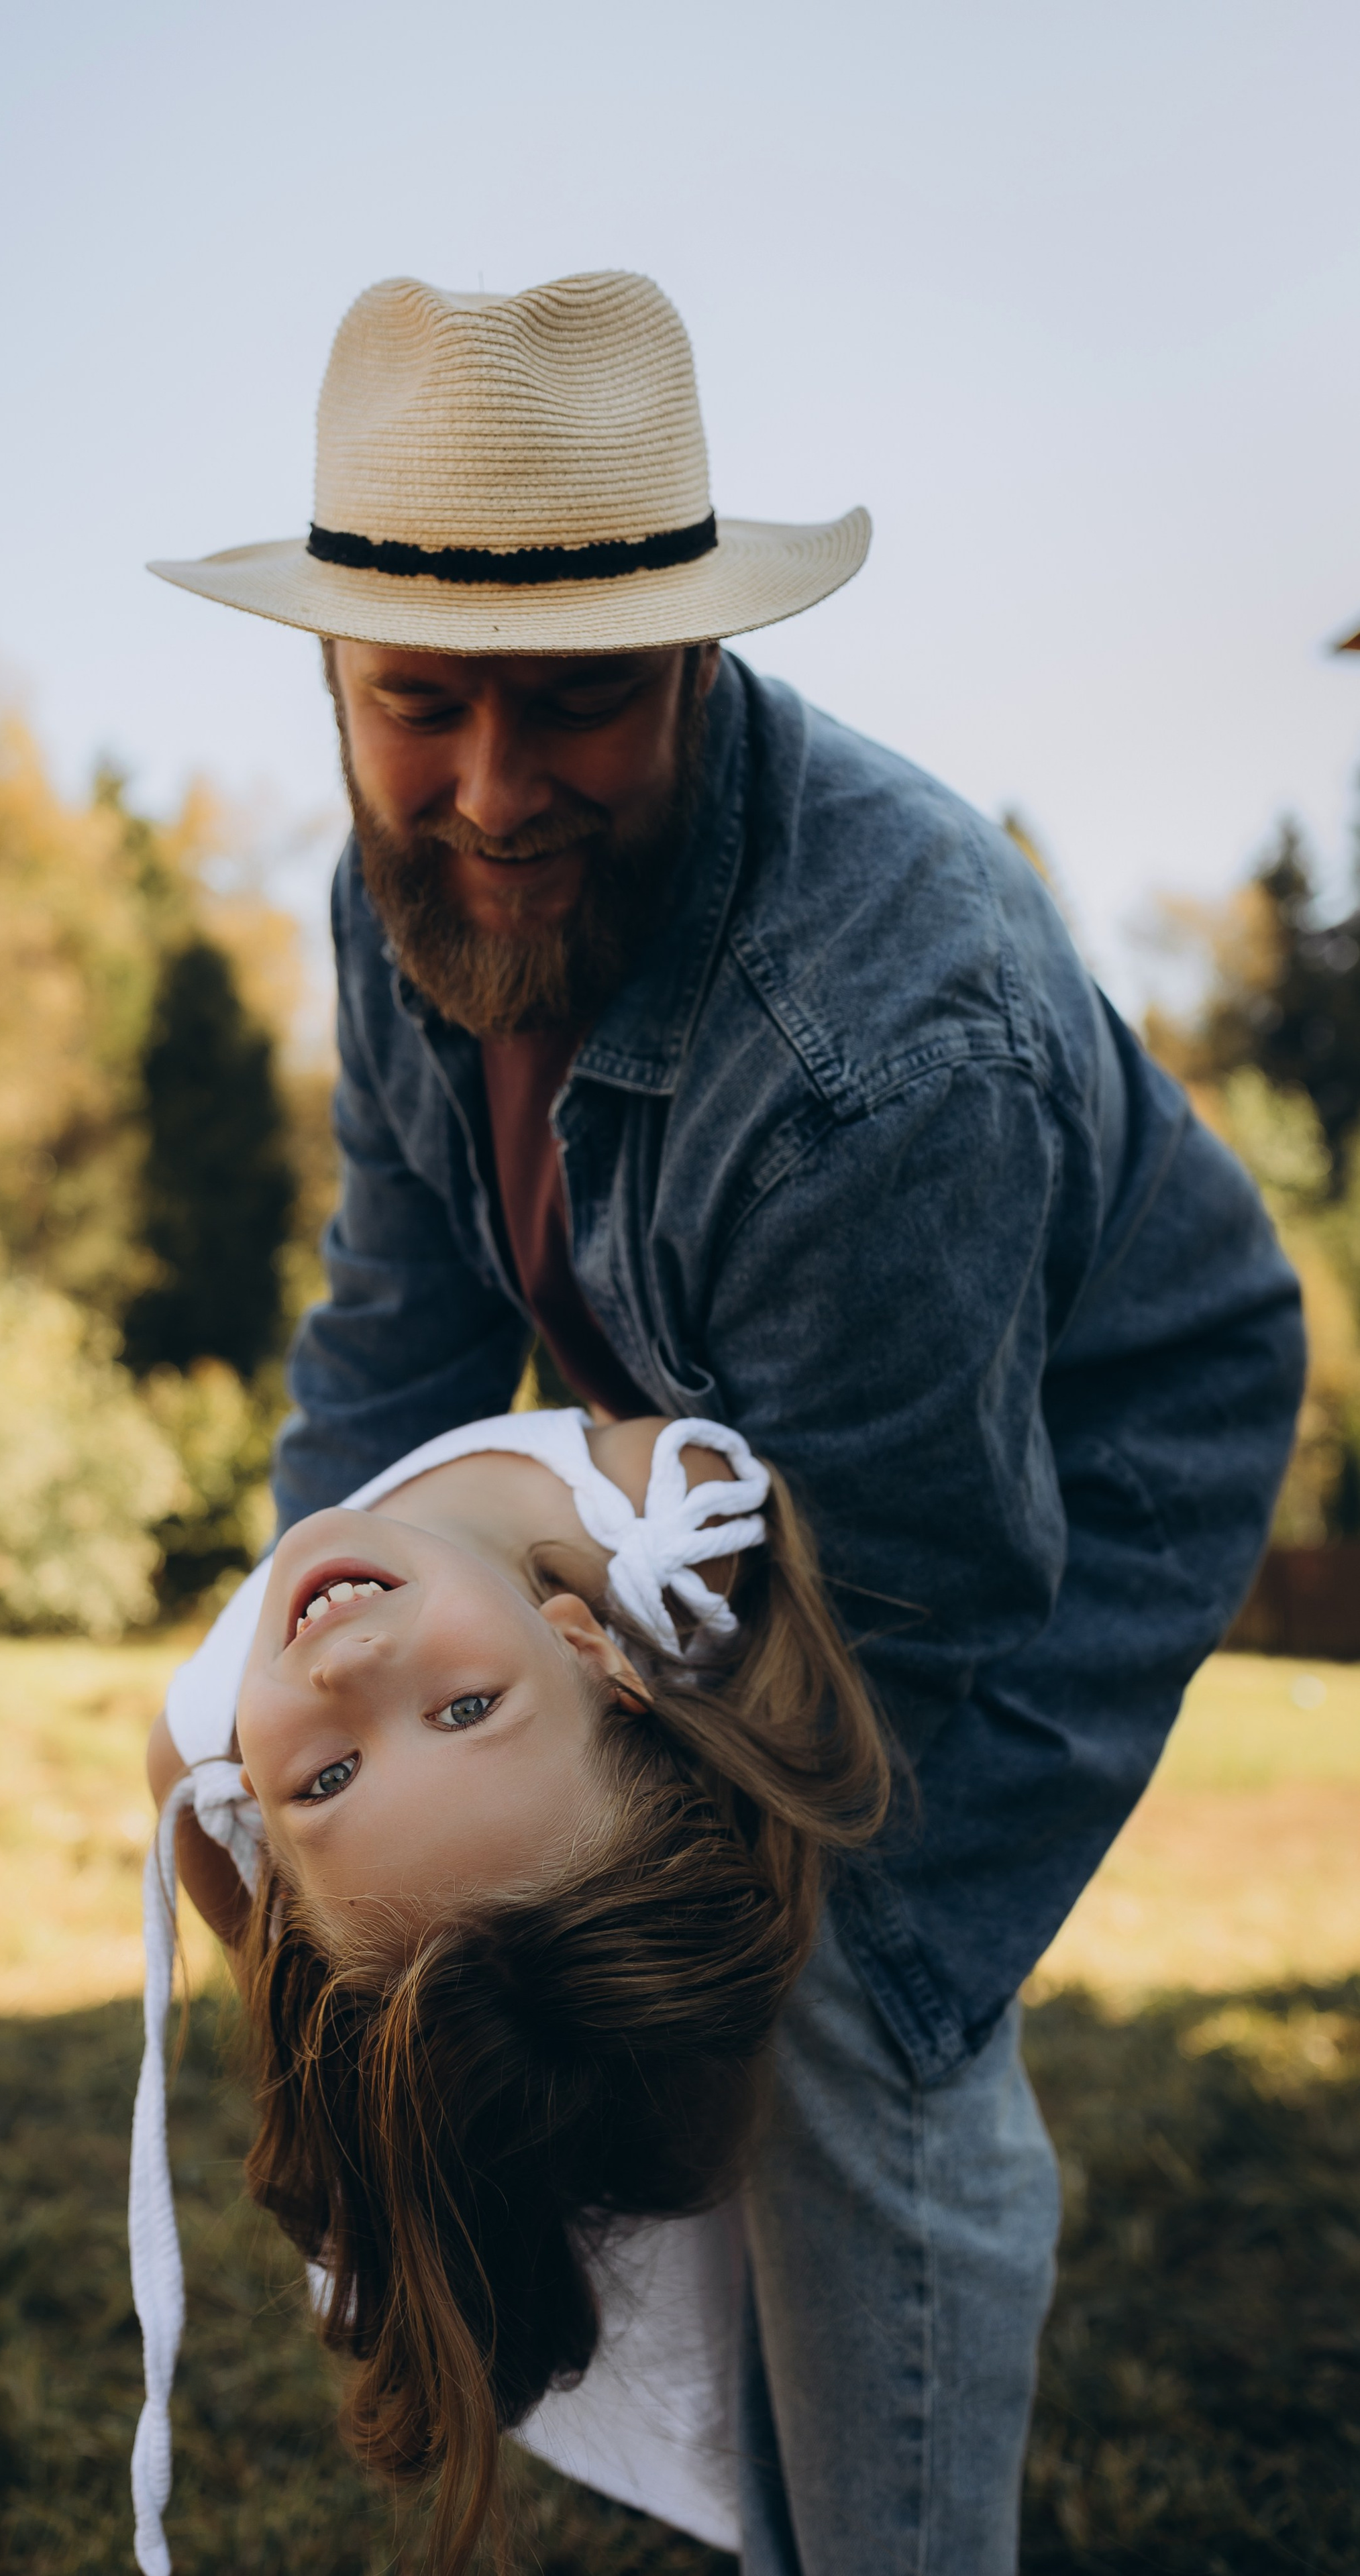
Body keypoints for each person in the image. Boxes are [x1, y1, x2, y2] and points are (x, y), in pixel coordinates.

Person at [142, 272, 1306, 2575]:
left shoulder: (890, 1049)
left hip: (1043, 1462)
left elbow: (914, 1580)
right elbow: (395, 1323)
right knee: (536, 1932)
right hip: (709, 1436)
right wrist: (282, 1703)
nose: (490, 793)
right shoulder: (392, 895)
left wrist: (604, 1790)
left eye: (575, 710)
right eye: (418, 707)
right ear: (332, 679)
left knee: (852, 1995)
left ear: (694, 658)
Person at [129, 1407, 888, 2576]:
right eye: (469, 1708)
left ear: (272, 1855)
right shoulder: (666, 1514)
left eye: (328, 1780)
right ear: (590, 1648)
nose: (345, 1665)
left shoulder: (200, 1756)